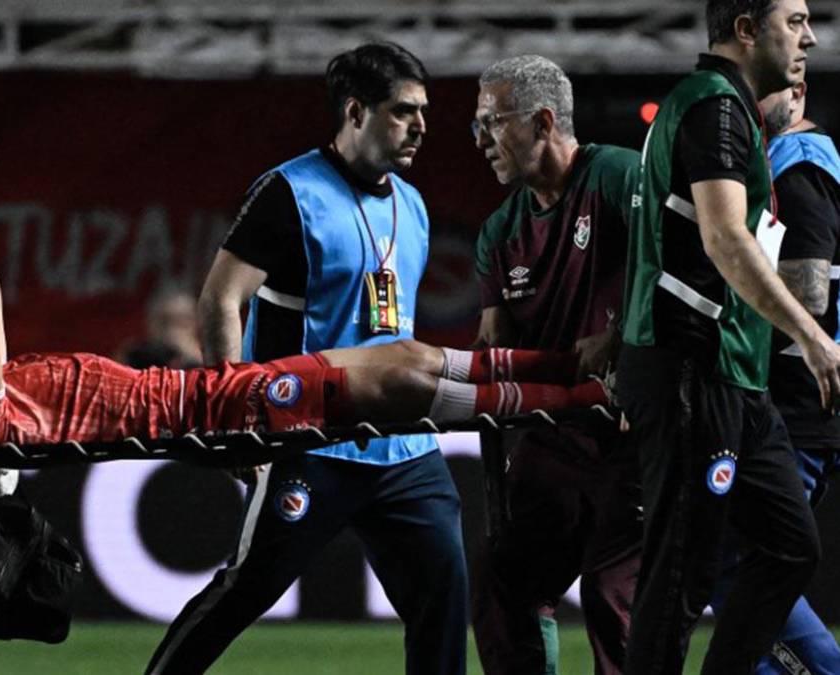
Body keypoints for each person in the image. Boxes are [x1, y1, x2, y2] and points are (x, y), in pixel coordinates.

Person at [146, 42, 468, 675]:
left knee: (445, 597)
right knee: (242, 592)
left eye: (424, 111)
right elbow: (219, 299)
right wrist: (234, 413)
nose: (422, 126)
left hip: (404, 448)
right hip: (311, 443)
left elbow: (391, 326)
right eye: (404, 112)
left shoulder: (415, 204)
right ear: (355, 112)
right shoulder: (289, 192)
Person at [618, 1, 839, 672]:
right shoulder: (714, 107)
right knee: (680, 574)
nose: (808, 36)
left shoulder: (726, 110)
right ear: (745, 30)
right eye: (793, 19)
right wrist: (811, 335)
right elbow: (722, 237)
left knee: (788, 546)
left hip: (735, 377)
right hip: (692, 367)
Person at [0, 267, 612, 450]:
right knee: (408, 385)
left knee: (404, 353)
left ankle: (568, 363)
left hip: (206, 389)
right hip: (210, 413)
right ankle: (589, 400)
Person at [470, 55, 641, 675]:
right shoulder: (499, 232)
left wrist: (621, 336)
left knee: (610, 597)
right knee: (501, 576)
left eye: (492, 123)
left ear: (543, 122)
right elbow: (495, 345)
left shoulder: (619, 177)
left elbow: (682, 271)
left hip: (635, 439)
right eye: (477, 128)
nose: (482, 141)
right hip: (555, 441)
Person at [723, 81, 840, 674]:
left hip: (795, 405)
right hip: (799, 404)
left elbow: (811, 291)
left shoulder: (799, 161)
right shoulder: (771, 162)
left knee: (739, 564)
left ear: (795, 92)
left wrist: (719, 301)